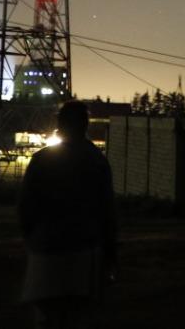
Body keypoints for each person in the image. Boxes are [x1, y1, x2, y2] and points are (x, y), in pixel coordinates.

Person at [18, 99, 118, 327]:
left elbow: (26, 206)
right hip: (84, 251)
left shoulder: (42, 160)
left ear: (60, 125)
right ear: (86, 125)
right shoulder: (96, 161)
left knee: (47, 315)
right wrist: (110, 254)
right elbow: (107, 212)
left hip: (46, 250)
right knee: (78, 315)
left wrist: (31, 238)